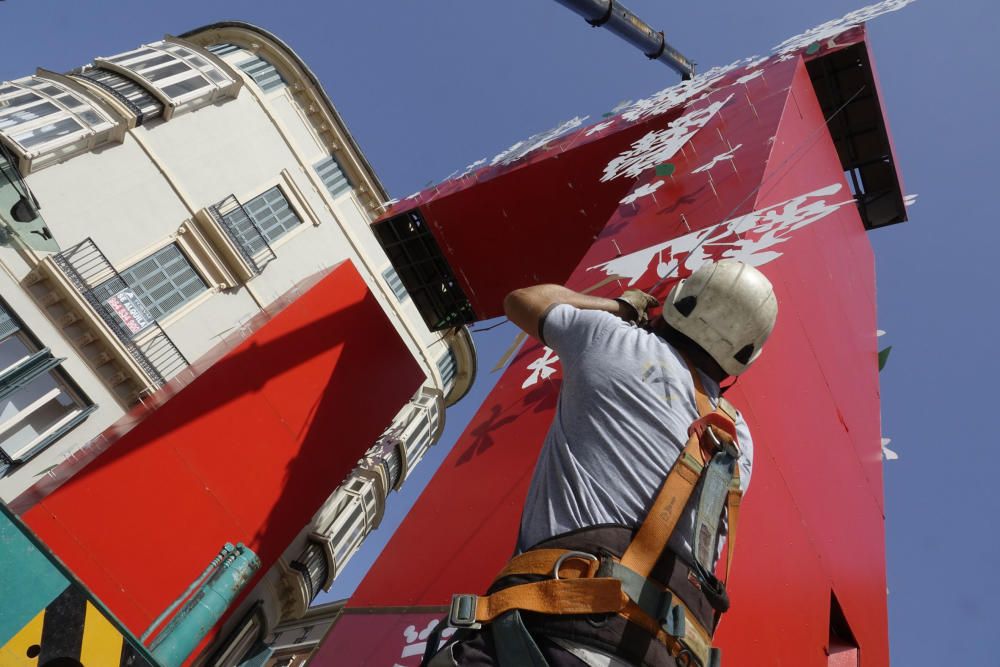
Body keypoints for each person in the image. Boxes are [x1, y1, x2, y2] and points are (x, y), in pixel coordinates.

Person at [426, 259, 778, 667]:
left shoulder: (612, 338)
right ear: (744, 355)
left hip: (551, 635)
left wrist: (623, 308)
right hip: (662, 654)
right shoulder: (736, 438)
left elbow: (522, 301)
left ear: (680, 303)